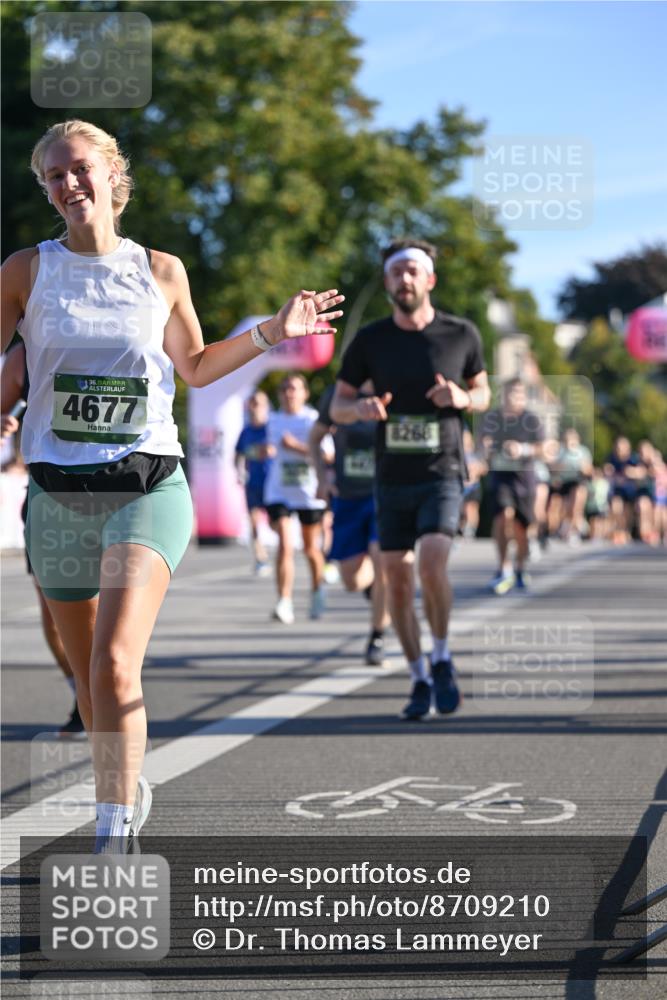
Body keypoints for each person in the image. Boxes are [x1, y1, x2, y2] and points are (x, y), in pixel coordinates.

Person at [1, 119, 343, 851]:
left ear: (112, 176)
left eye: (80, 169)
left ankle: (112, 823)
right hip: (57, 494)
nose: (69, 185)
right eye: (54, 176)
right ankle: (125, 781)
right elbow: (10, 367)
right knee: (88, 678)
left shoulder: (160, 270)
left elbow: (193, 366)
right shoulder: (26, 272)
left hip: (145, 485)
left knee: (116, 659)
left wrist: (270, 332)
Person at [331, 238, 490, 720]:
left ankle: (442, 656)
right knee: (395, 578)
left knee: (433, 561)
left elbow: (484, 393)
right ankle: (419, 674)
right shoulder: (370, 341)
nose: (404, 279)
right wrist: (357, 407)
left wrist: (461, 399)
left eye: (412, 271)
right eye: (396, 271)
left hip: (442, 470)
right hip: (391, 475)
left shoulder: (460, 334)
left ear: (430, 280)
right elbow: (336, 406)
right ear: (386, 283)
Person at [1, 341, 84, 736]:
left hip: (113, 493)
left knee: (107, 612)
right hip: (47, 497)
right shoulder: (23, 355)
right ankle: (81, 695)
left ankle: (108, 695)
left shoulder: (115, 330)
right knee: (54, 617)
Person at [309, 381, 391, 665]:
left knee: (383, 564)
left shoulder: (391, 388)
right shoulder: (338, 394)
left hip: (385, 494)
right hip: (348, 496)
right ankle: (376, 593)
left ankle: (376, 636)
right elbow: (314, 438)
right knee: (352, 580)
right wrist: (322, 478)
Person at [263, 373, 328, 624]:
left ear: (305, 394)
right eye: (286, 389)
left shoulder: (312, 420)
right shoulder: (274, 420)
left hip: (308, 492)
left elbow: (327, 455)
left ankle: (317, 590)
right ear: (280, 394)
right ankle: (284, 601)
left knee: (311, 549)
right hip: (279, 491)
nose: (290, 393)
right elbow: (270, 448)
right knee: (285, 545)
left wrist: (297, 448)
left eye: (295, 389)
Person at [480, 378, 545, 594]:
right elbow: (481, 441)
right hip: (501, 477)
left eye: (517, 394)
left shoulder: (531, 419)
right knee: (502, 517)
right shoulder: (494, 418)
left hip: (524, 479)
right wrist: (485, 449)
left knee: (522, 529)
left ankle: (520, 567)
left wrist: (522, 450)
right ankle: (503, 568)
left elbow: (544, 448)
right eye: (509, 394)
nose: (512, 398)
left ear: (523, 397)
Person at [234, 389, 272, 576]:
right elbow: (238, 454)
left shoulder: (271, 428)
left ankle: (280, 553)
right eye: (252, 403)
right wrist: (239, 471)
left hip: (272, 483)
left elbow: (278, 450)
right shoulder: (246, 431)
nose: (254, 407)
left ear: (265, 407)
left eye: (258, 403)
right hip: (253, 483)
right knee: (254, 521)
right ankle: (260, 558)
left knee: (275, 523)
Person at [548, 427, 593, 544]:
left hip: (578, 481)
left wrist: (583, 468)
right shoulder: (560, 452)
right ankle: (561, 529)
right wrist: (559, 465)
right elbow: (552, 469)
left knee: (576, 505)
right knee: (558, 507)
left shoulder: (583, 451)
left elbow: (589, 470)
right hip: (563, 483)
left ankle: (573, 532)